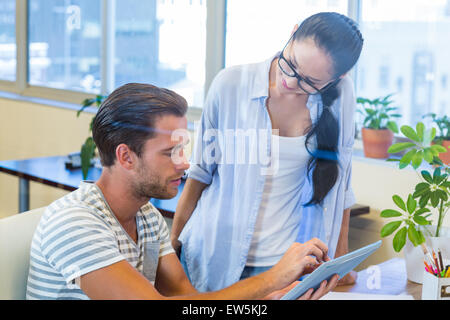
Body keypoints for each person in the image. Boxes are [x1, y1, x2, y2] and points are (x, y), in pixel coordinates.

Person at [25, 83, 338, 300]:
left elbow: (186, 298)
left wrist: (270, 298)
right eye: (169, 152)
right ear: (125, 157)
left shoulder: (145, 215)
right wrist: (274, 276)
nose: (185, 163)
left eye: (184, 149)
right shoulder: (74, 223)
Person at [171, 12, 364, 292]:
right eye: (291, 64)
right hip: (213, 254)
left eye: (310, 82)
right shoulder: (230, 84)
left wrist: (342, 261)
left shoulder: (342, 95)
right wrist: (171, 249)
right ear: (293, 32)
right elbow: (200, 175)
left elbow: (341, 185)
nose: (290, 82)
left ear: (339, 78)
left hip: (283, 263)